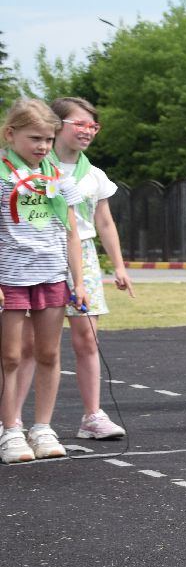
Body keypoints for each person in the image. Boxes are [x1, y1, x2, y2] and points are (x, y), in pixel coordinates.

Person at [0, 98, 86, 464]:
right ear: (10, 134)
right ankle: (11, 430)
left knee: (49, 354)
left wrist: (78, 282)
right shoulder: (4, 178)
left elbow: (71, 233)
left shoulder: (58, 179)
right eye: (35, 138)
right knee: (10, 357)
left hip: (52, 278)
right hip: (11, 280)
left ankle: (43, 427)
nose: (43, 147)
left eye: (49, 140)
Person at [50, 97, 134, 440]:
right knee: (32, 345)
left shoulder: (94, 174)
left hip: (82, 255)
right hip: (43, 252)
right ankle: (16, 422)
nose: (87, 131)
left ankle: (92, 416)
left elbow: (105, 222)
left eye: (92, 126)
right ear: (56, 125)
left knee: (87, 338)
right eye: (79, 124)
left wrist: (118, 266)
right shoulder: (37, 167)